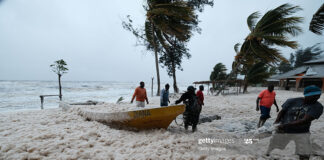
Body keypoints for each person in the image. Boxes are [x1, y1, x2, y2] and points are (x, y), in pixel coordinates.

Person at [266, 85, 323, 159]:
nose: (317, 98)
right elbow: (282, 112)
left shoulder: (318, 106)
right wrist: (276, 123)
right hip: (284, 130)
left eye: (318, 96)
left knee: (304, 154)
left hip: (302, 132)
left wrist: (285, 125)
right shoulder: (292, 101)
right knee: (274, 149)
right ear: (306, 95)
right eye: (314, 96)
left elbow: (304, 120)